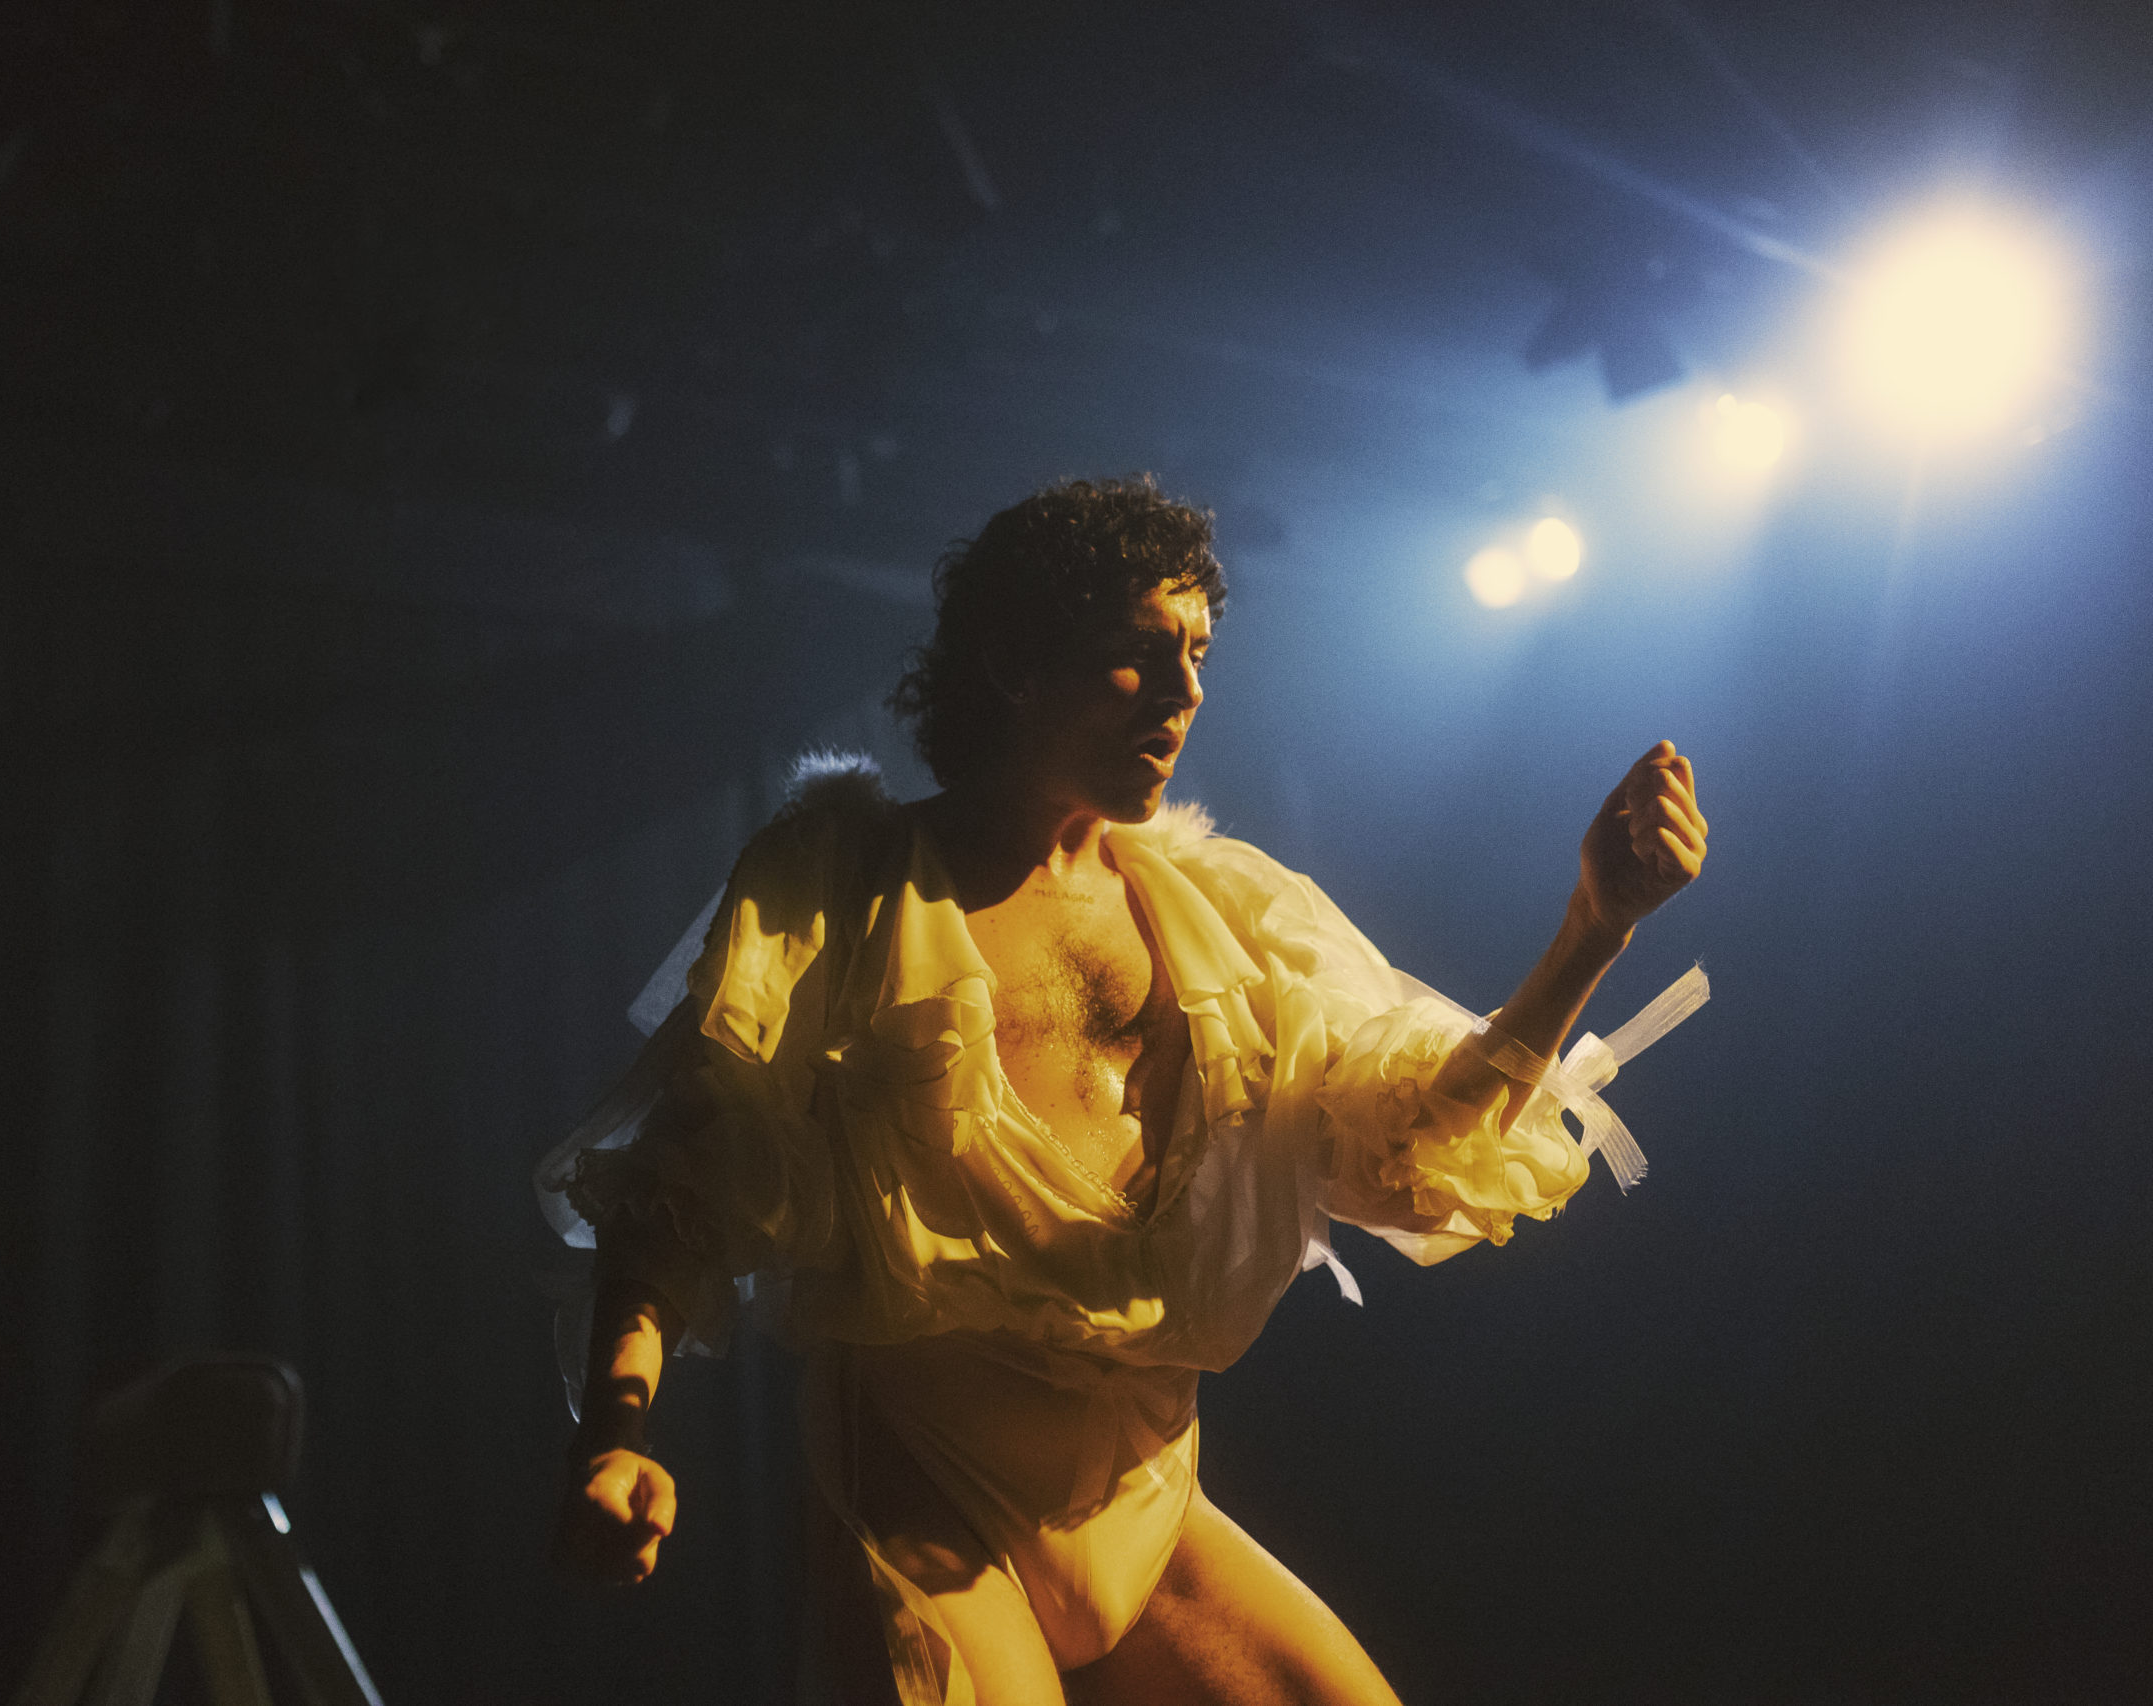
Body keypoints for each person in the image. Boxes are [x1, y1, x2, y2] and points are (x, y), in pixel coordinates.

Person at [539, 477, 1710, 1705]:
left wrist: (1592, 928)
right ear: (1013, 662)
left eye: (1197, 654)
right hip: (926, 1493)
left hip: (1148, 1498)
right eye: (1138, 653)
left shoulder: (1224, 911)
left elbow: (1406, 1139)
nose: (1183, 690)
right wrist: (613, 1435)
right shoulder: (849, 881)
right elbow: (685, 1186)